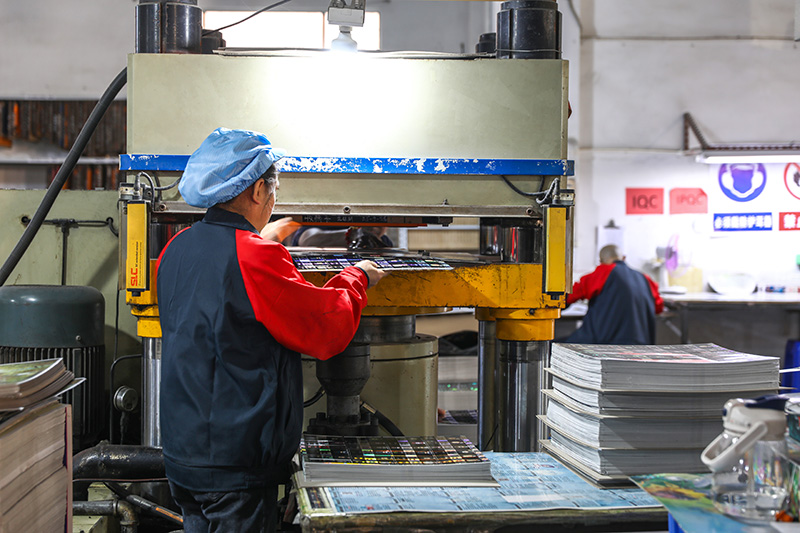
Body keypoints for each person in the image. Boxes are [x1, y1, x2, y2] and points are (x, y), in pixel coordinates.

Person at [156, 127, 386, 532]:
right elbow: (325, 327)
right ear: (259, 190)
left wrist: (260, 236)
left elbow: (223, 302)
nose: (274, 197)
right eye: (274, 188)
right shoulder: (255, 257)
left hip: (183, 454)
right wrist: (359, 276)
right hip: (235, 464)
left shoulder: (177, 248)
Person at [564, 244, 663, 345]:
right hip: (640, 346)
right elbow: (658, 307)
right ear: (623, 258)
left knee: (556, 346)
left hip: (602, 344)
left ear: (601, 261)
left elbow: (569, 296)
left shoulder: (603, 272)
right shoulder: (645, 278)